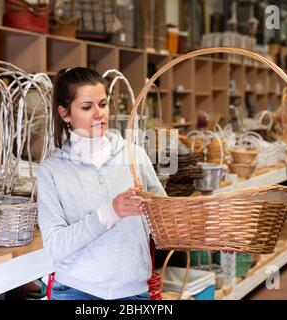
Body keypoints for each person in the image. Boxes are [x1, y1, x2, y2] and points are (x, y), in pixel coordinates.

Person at [37, 67, 166, 300]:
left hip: (133, 290)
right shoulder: (51, 171)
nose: (99, 114)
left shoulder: (133, 156)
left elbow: (166, 219)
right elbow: (56, 245)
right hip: (75, 291)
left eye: (103, 104)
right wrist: (110, 212)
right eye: (87, 107)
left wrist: (211, 238)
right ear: (65, 113)